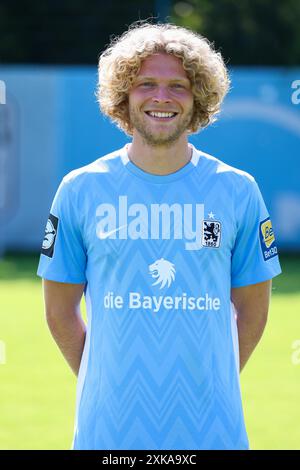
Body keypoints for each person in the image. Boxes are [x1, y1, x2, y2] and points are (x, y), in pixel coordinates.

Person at [37, 21, 282, 450]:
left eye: (179, 86)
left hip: (213, 434)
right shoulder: (80, 189)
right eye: (146, 83)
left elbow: (254, 313)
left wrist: (212, 384)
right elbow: (59, 313)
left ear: (199, 98)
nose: (161, 98)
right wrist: (106, 385)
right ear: (123, 96)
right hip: (107, 435)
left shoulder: (237, 190)